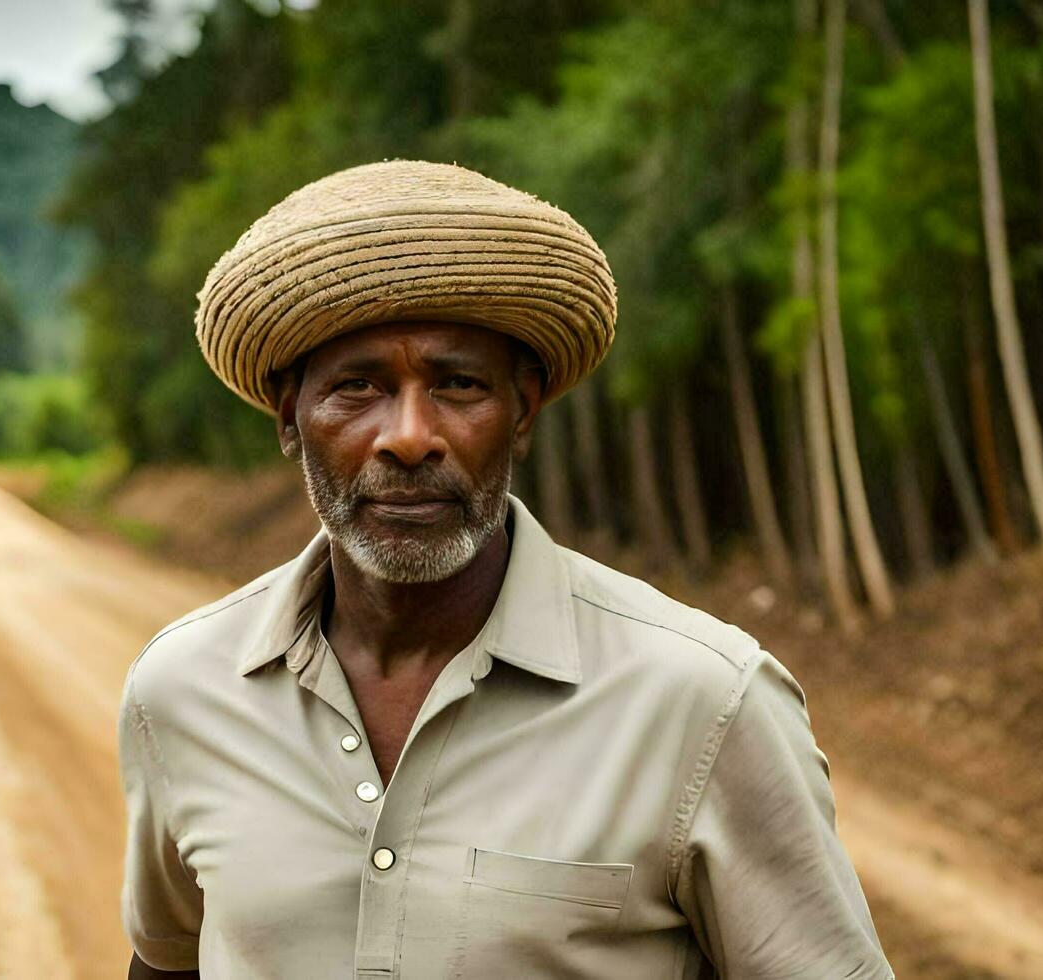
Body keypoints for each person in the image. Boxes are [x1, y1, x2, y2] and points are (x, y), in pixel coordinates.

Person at [118, 160, 893, 979]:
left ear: (523, 411)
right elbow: (167, 960)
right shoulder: (182, 689)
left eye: (457, 384)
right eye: (358, 387)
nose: (410, 437)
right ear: (289, 417)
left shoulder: (703, 702)